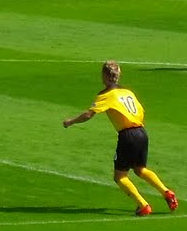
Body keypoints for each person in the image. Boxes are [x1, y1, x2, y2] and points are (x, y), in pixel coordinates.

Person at [62, 60, 179, 217]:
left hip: (128, 135)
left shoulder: (106, 95)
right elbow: (141, 111)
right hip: (142, 131)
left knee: (120, 176)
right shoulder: (128, 92)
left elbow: (89, 114)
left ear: (105, 75)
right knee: (140, 169)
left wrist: (71, 121)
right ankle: (166, 192)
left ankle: (143, 205)